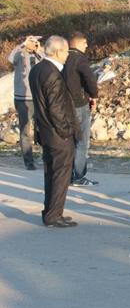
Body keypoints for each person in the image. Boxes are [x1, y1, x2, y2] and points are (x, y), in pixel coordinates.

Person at [29, 36, 80, 228]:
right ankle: (54, 214)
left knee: (51, 173)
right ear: (58, 51)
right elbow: (56, 108)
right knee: (60, 174)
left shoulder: (37, 69)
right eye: (66, 51)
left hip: (45, 131)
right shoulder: (52, 73)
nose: (67, 56)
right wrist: (67, 131)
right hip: (57, 134)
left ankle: (50, 211)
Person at [63, 32, 99, 187]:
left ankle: (67, 174)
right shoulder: (79, 59)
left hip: (63, 105)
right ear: (78, 43)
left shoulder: (61, 58)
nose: (86, 46)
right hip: (79, 104)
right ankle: (79, 175)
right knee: (82, 141)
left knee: (68, 141)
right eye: (85, 43)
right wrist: (94, 95)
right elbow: (90, 78)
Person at [8, 35, 43, 170]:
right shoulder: (20, 55)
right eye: (31, 42)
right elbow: (11, 59)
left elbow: (50, 63)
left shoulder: (40, 56)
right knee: (25, 130)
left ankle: (46, 156)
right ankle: (29, 162)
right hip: (22, 98)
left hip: (38, 97)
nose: (32, 45)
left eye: (35, 42)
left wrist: (39, 50)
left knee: (43, 128)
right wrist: (23, 44)